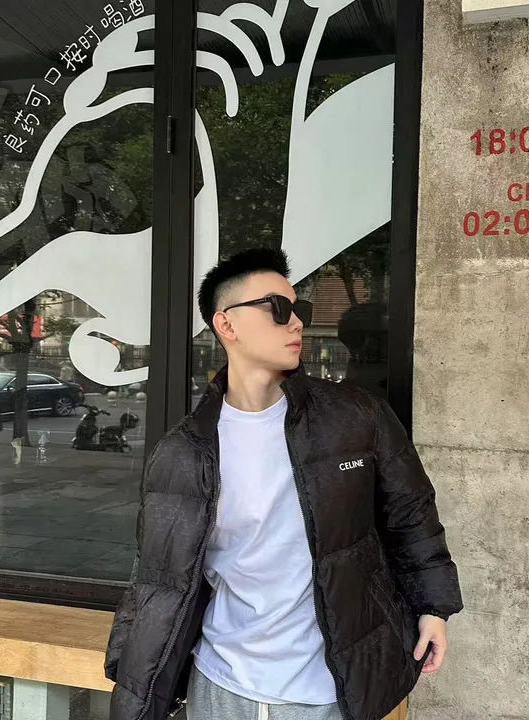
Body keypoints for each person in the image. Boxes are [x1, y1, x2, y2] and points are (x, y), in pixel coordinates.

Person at [105, 247, 463, 720]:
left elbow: (412, 515)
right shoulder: (182, 451)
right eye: (277, 308)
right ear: (226, 325)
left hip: (327, 691)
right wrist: (131, 671)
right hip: (218, 686)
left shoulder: (356, 417)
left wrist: (433, 607)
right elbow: (157, 577)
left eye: (299, 309)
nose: (296, 323)